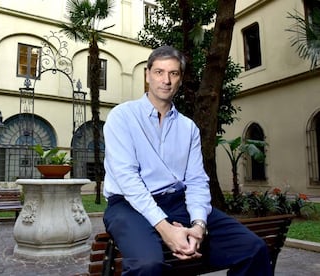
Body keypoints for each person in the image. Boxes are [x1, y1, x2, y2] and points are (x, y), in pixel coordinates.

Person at [102, 45, 272, 276]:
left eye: (173, 73)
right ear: (147, 75)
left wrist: (199, 225)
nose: (166, 80)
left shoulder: (188, 127)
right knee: (147, 265)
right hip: (128, 205)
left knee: (255, 249)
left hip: (177, 202)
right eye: (159, 72)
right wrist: (165, 229)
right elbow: (127, 179)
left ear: (180, 78)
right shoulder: (122, 116)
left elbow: (196, 180)